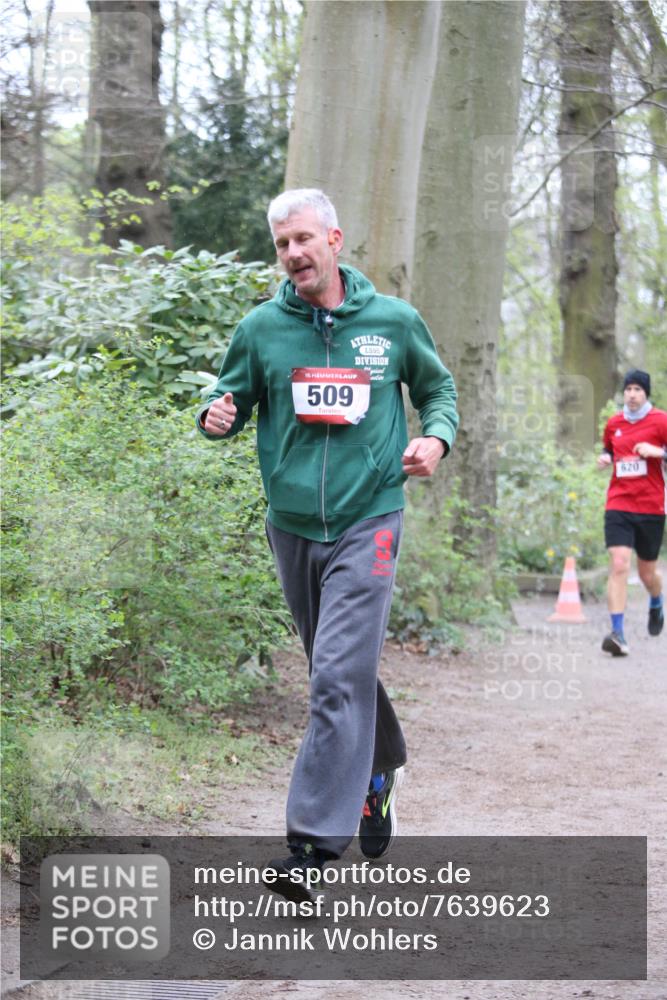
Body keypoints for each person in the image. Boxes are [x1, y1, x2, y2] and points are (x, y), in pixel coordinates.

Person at [196, 188, 458, 901]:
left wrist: (434, 438)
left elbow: (438, 391)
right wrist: (214, 415)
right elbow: (228, 397)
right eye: (281, 244)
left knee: (334, 677)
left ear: (335, 240)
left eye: (304, 239)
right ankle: (380, 767)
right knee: (334, 665)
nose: (293, 254)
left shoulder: (393, 322)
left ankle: (310, 846)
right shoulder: (260, 329)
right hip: (291, 525)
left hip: (369, 517)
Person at [597, 369, 667, 656]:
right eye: (628, 389)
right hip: (619, 503)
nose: (632, 394)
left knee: (646, 572)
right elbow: (610, 450)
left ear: (646, 393)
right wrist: (606, 457)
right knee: (619, 564)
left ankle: (656, 600)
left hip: (651, 506)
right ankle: (618, 634)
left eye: (638, 389)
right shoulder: (614, 423)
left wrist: (659, 452)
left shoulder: (661, 421)